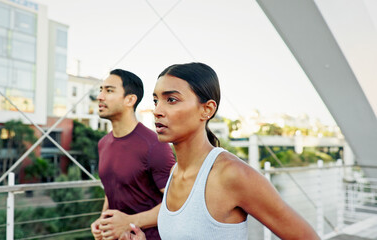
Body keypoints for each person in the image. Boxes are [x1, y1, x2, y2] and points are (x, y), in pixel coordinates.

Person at [121, 62, 320, 240]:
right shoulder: (175, 173)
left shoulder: (232, 174)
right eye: (156, 100)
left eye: (171, 99)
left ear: (207, 109)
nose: (157, 110)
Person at [90, 69, 176, 240]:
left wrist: (129, 222)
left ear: (130, 99)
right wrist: (102, 220)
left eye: (109, 90)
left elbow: (175, 204)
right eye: (101, 90)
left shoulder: (155, 145)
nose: (100, 96)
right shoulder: (103, 144)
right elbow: (113, 189)